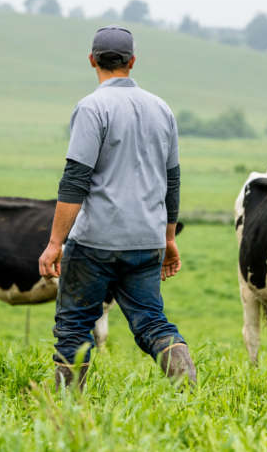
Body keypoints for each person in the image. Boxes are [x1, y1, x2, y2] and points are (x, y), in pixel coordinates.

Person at [38, 25, 195, 390]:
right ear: (132, 62)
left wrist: (54, 243)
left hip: (96, 241)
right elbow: (172, 181)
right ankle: (187, 388)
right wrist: (169, 238)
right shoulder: (162, 109)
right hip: (146, 240)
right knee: (152, 323)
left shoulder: (92, 108)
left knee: (75, 324)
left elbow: (76, 178)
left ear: (92, 60)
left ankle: (67, 404)